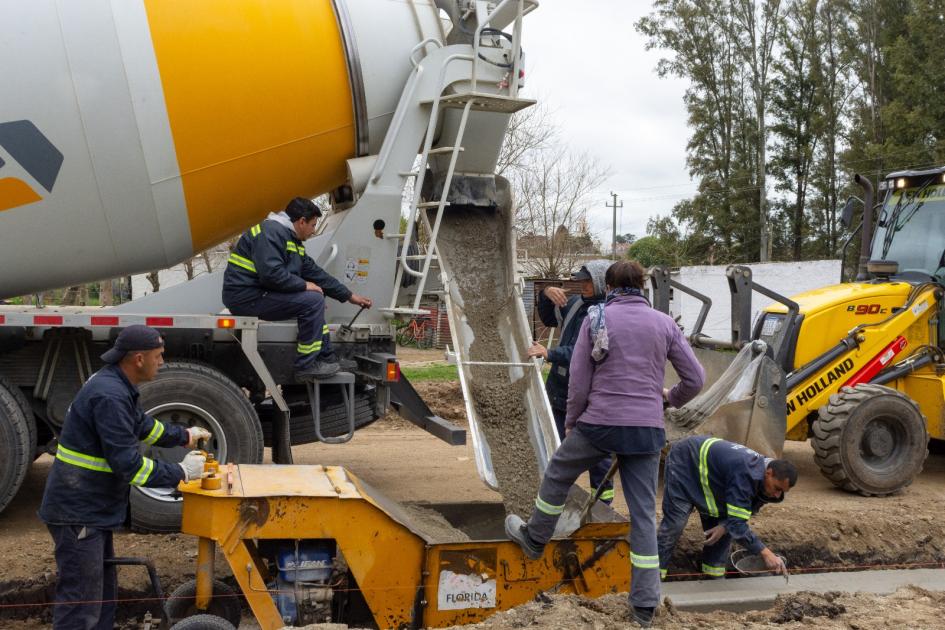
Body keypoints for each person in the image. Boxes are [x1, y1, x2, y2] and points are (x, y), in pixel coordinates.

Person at [505, 260, 705, 628]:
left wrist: (572, 424)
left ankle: (535, 540)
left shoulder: (597, 318)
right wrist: (668, 397)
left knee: (557, 475)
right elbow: (695, 379)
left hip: (600, 423)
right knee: (643, 515)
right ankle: (644, 606)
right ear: (642, 286)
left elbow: (579, 379)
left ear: (608, 286)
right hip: (646, 431)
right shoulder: (663, 323)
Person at [38, 325, 212, 630]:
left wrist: (183, 435)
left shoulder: (117, 385)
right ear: (139, 358)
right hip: (78, 512)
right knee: (82, 604)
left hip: (91, 509)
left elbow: (143, 426)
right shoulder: (109, 396)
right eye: (158, 356)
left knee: (101, 598)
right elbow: (130, 467)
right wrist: (182, 472)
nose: (162, 361)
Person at [222, 197, 373, 380]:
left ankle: (327, 358)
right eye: (313, 225)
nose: (314, 230)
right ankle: (306, 365)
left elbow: (315, 273)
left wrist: (349, 296)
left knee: (315, 301)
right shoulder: (271, 233)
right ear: (301, 221)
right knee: (313, 301)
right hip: (245, 297)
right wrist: (304, 285)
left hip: (258, 293)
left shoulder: (290, 239)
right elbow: (271, 274)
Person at [527, 260, 616, 503]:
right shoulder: (577, 304)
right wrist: (546, 294)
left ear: (601, 282)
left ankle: (602, 508)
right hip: (559, 392)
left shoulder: (608, 314)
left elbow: (585, 353)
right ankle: (550, 500)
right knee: (552, 447)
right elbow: (549, 319)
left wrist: (549, 353)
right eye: (580, 280)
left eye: (586, 281)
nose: (581, 285)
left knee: (597, 457)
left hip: (590, 397)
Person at [657, 435, 797, 581]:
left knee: (726, 526)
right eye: (777, 488)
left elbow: (746, 510)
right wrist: (766, 553)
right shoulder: (745, 473)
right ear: (769, 473)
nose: (776, 495)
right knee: (675, 524)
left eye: (782, 492)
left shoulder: (765, 482)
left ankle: (714, 578)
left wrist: (724, 526)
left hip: (712, 479)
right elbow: (737, 524)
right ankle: (654, 577)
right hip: (686, 461)